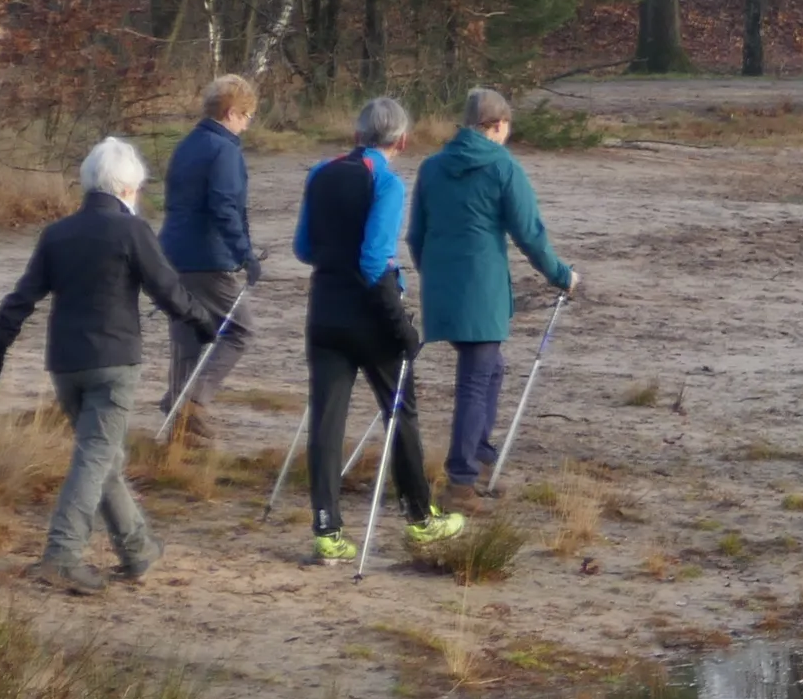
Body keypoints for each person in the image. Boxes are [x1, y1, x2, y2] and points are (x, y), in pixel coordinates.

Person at [0, 134, 228, 596]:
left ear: (89, 183)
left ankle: (138, 549)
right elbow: (168, 290)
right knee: (94, 458)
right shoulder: (132, 231)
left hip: (65, 365)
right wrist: (204, 322)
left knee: (103, 458)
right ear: (128, 188)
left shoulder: (57, 234)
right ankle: (61, 555)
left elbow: (20, 300)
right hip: (114, 363)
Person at [293, 95, 468, 565]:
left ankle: (326, 529)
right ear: (403, 141)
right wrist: (400, 323)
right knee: (399, 412)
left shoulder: (319, 172)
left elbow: (303, 248)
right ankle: (420, 518)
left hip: (324, 311)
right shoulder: (386, 182)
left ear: (357, 134)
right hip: (370, 315)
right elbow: (374, 260)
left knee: (326, 420)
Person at [411, 87, 579, 495]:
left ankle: (480, 449)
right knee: (475, 377)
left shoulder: (431, 167)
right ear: (499, 125)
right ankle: (462, 478)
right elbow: (529, 233)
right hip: (481, 288)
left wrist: (434, 276)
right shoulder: (503, 166)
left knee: (491, 367)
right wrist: (562, 275)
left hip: (441, 286)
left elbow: (416, 235)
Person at [158, 74, 262, 442]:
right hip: (207, 257)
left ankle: (178, 427)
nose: (247, 124)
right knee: (240, 329)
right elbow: (224, 207)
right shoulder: (224, 150)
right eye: (246, 116)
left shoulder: (187, 144)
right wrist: (245, 255)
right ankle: (190, 401)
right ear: (231, 112)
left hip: (172, 254)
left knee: (187, 334)